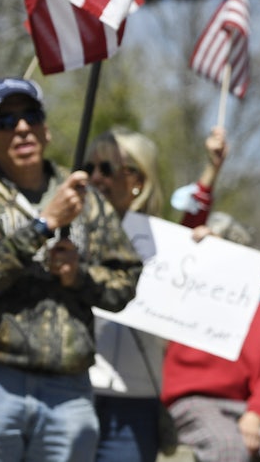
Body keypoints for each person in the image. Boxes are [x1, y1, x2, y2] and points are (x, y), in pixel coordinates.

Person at [0, 77, 142, 461]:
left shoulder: (83, 196)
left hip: (67, 392)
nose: (21, 128)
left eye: (30, 116)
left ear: (45, 130)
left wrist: (78, 276)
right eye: (5, 121)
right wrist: (43, 225)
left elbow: (125, 282)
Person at [87, 125, 229, 462]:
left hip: (134, 405)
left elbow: (190, 229)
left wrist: (210, 254)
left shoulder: (162, 242)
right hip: (73, 393)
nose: (95, 177)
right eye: (88, 167)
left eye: (107, 168)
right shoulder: (69, 227)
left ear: (137, 179)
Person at [162, 213, 260, 462]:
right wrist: (194, 237)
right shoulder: (181, 296)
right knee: (227, 448)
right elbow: (168, 259)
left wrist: (255, 413)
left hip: (248, 405)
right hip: (193, 400)